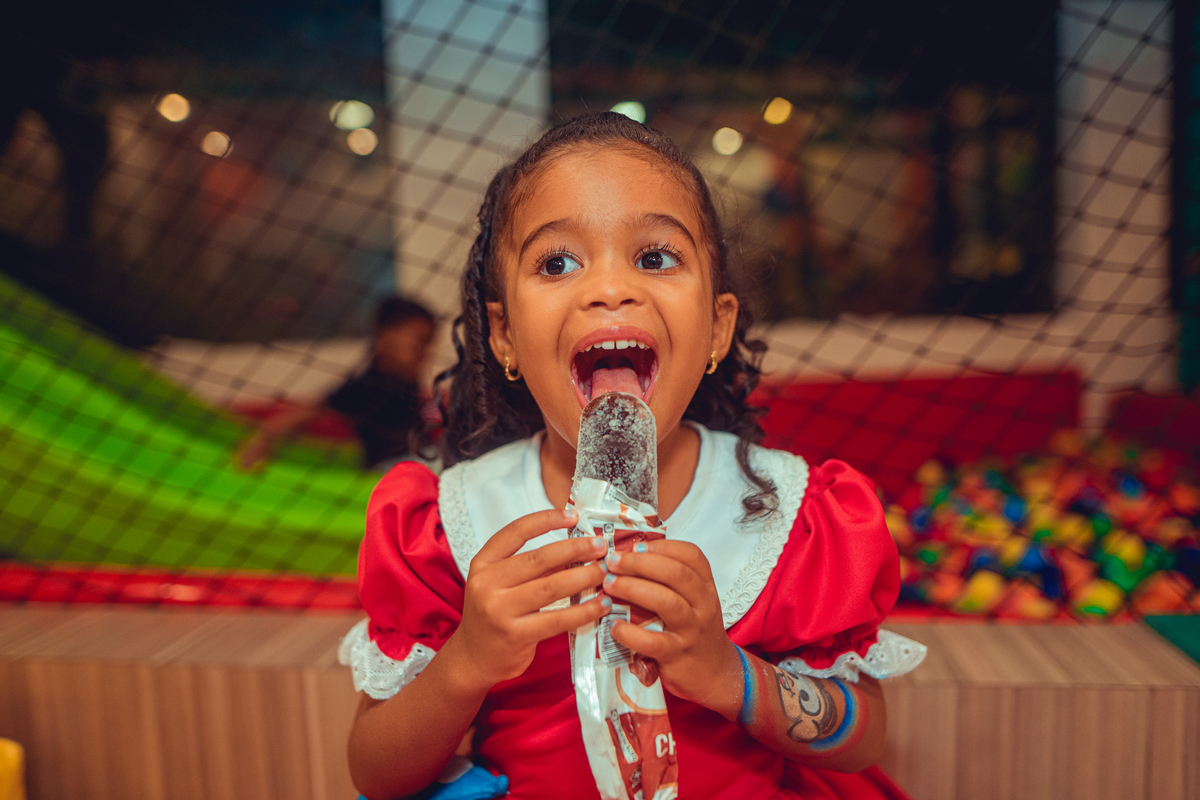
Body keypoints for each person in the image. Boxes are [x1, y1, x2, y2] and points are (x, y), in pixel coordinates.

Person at [337, 113, 926, 800]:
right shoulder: (449, 523)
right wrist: (466, 662)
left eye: (655, 257)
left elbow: (861, 738)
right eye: (557, 262)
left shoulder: (790, 514)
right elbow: (374, 772)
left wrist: (725, 673)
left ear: (716, 326)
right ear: (503, 335)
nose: (609, 288)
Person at [237, 297, 437, 471]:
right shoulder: (368, 385)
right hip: (392, 466)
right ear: (385, 336)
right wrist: (264, 438)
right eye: (421, 342)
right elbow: (313, 407)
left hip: (422, 457)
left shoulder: (406, 379)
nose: (426, 352)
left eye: (428, 343)